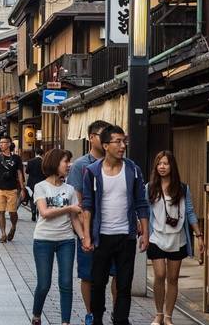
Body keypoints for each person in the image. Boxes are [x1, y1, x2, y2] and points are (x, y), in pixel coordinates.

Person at [81, 125, 150, 325]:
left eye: (124, 141)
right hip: (101, 236)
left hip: (126, 236)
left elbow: (141, 203)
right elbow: (87, 205)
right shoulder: (92, 171)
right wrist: (87, 235)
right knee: (98, 283)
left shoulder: (132, 169)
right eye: (117, 142)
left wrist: (145, 233)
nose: (122, 146)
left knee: (124, 284)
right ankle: (97, 319)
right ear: (105, 145)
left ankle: (121, 320)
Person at [66, 120, 116, 325]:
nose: (106, 139)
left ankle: (116, 311)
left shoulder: (119, 162)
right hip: (89, 228)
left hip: (114, 227)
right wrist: (84, 233)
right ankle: (90, 313)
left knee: (117, 273)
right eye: (102, 135)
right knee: (88, 275)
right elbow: (77, 202)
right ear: (91, 138)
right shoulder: (81, 165)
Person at [147, 151, 205, 325]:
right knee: (160, 274)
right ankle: (158, 314)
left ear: (172, 166)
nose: (162, 167)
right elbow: (143, 211)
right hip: (156, 236)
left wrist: (198, 235)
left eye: (165, 163)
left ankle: (168, 316)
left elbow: (189, 212)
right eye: (159, 163)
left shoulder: (182, 188)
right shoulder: (149, 187)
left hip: (177, 238)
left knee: (172, 278)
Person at [31, 148, 84, 325]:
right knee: (44, 284)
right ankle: (37, 315)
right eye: (65, 161)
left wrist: (84, 238)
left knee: (66, 283)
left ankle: (65, 322)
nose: (69, 165)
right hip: (43, 240)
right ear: (55, 163)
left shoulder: (70, 189)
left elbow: (75, 219)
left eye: (69, 161)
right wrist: (69, 208)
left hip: (66, 241)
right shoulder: (40, 187)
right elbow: (44, 213)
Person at [0, 136, 25, 243]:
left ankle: (13, 226)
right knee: (1, 212)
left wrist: (23, 189)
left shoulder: (16, 158)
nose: (0, 144)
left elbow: (19, 174)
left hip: (12, 189)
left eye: (3, 142)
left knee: (13, 212)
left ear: (9, 144)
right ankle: (3, 234)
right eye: (0, 143)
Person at [25, 147, 46, 222]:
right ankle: (38, 212)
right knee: (40, 198)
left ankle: (33, 211)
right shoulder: (44, 162)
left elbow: (27, 171)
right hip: (41, 182)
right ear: (42, 154)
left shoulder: (30, 161)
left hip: (31, 182)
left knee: (32, 197)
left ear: (35, 153)